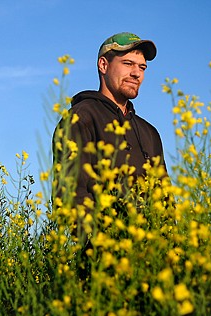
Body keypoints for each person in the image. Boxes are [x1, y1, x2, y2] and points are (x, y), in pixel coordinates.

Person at [53, 32, 168, 209]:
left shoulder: (149, 132)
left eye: (142, 67)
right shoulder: (81, 118)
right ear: (103, 65)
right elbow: (71, 195)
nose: (137, 73)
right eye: (128, 64)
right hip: (103, 235)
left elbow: (166, 201)